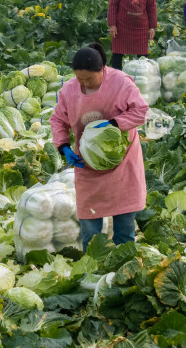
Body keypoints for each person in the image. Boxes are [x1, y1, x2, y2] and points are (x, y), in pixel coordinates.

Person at [49, 42, 148, 250]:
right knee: (89, 228)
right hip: (87, 162)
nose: (84, 83)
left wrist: (114, 124)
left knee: (124, 223)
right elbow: (58, 120)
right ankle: (93, 268)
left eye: (89, 78)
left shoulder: (121, 83)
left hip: (122, 160)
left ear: (102, 69)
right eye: (80, 79)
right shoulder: (69, 90)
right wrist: (64, 147)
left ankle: (124, 263)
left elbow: (141, 111)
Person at [107, 0, 158, 70]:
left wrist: (152, 27)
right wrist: (112, 25)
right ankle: (116, 76)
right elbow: (112, 5)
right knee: (117, 53)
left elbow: (152, 7)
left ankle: (143, 76)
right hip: (122, 26)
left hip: (141, 27)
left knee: (143, 56)